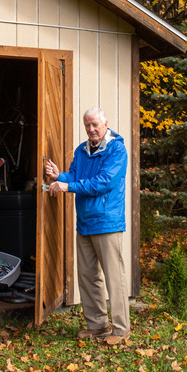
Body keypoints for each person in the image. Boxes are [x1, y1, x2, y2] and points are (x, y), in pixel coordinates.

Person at [44, 107, 130, 345]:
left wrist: (68, 187)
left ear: (105, 124)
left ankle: (121, 329)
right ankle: (98, 325)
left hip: (107, 222)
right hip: (85, 223)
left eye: (95, 125)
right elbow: (75, 176)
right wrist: (59, 176)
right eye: (87, 125)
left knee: (114, 278)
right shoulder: (82, 151)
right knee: (88, 276)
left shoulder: (116, 150)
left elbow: (103, 183)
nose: (91, 129)